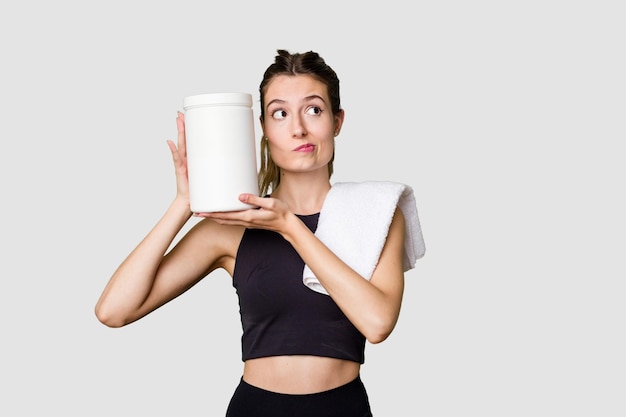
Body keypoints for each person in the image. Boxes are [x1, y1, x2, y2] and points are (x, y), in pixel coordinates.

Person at [95, 49, 424, 417]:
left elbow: (378, 323)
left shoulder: (376, 213)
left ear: (337, 121)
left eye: (314, 109)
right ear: (264, 130)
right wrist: (183, 202)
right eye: (280, 113)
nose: (298, 128)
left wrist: (291, 227)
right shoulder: (232, 228)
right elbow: (113, 311)